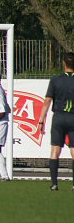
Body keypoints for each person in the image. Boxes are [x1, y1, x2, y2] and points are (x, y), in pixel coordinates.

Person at [37, 52, 74, 191]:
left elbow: (47, 101)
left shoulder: (55, 79)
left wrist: (41, 121)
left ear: (64, 64)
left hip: (59, 117)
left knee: (55, 150)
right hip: (73, 117)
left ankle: (54, 184)